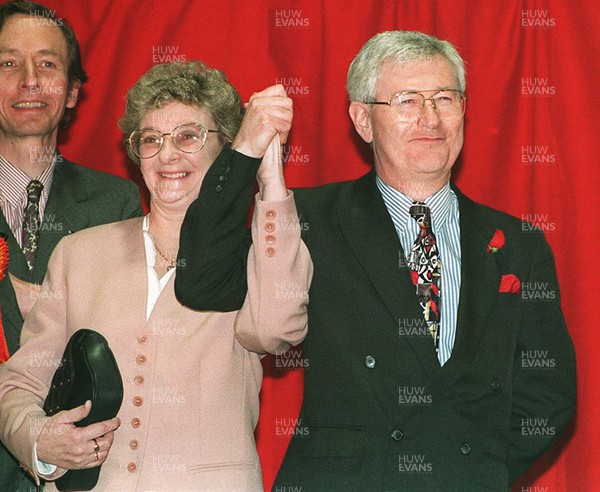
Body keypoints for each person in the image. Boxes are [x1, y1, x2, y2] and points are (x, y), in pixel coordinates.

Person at [175, 31, 576, 490]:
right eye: (407, 101)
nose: (431, 118)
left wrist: (479, 467)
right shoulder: (311, 220)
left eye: (445, 98)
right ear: (363, 120)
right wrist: (245, 151)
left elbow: (548, 393)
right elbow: (201, 280)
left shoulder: (517, 243)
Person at [0, 60, 309, 491]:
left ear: (225, 150)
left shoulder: (258, 256)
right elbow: (19, 383)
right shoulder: (78, 254)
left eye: (187, 136)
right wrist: (40, 441)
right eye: (151, 139)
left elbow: (276, 331)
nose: (167, 155)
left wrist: (268, 175)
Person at [0, 2, 142, 490]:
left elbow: (131, 340)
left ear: (74, 90)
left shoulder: (118, 202)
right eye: (8, 63)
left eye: (47, 64)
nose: (29, 81)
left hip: (87, 470)